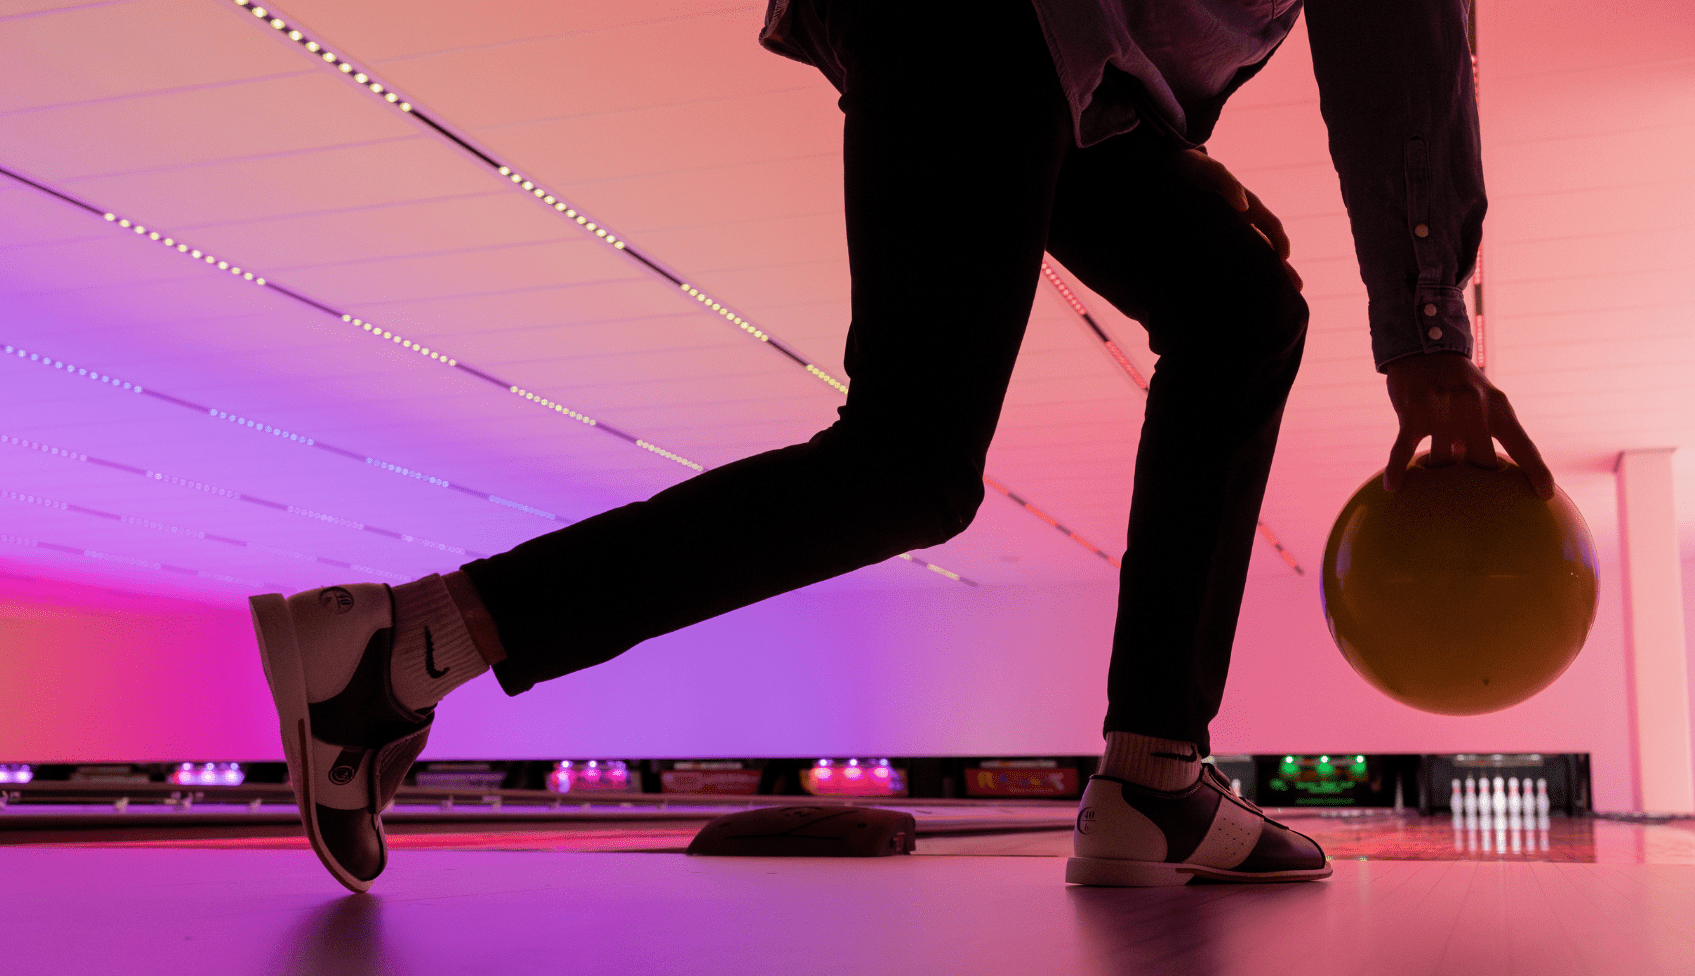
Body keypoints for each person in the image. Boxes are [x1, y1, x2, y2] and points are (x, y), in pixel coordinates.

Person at [248, 0, 1552, 893]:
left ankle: (1155, 778)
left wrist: (1157, 147)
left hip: (1047, 43)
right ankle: (405, 643)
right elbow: (1398, 35)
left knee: (1240, 305)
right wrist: (1431, 335)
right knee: (909, 463)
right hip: (989, 15)